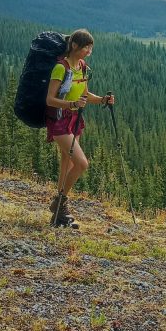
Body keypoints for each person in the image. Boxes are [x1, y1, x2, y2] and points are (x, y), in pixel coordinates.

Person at [44, 29, 114, 228]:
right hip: (59, 119)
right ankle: (59, 202)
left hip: (74, 119)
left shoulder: (82, 66)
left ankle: (58, 214)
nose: (88, 51)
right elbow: (50, 99)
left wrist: (102, 100)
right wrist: (72, 105)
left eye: (90, 48)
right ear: (74, 45)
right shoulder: (61, 67)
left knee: (66, 162)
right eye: (86, 47)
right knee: (82, 163)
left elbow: (84, 94)